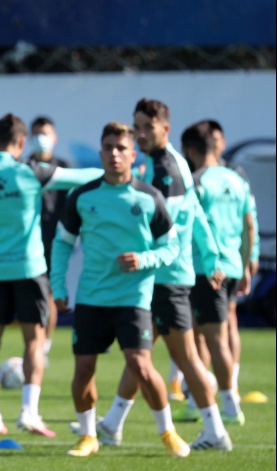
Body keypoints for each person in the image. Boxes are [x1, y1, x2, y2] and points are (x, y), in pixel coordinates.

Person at [85, 99, 231, 451]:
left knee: (185, 358)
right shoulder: (165, 163)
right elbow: (197, 214)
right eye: (137, 127)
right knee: (139, 354)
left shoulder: (167, 169)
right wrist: (211, 257)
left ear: (165, 128)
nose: (141, 133)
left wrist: (147, 257)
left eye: (148, 127)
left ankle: (216, 431)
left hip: (165, 276)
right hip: (158, 276)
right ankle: (112, 424)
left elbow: (168, 229)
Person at [50, 121, 189, 458]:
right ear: (100, 153)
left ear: (133, 154)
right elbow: (62, 243)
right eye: (108, 147)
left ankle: (168, 432)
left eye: (121, 148)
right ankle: (88, 436)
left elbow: (172, 247)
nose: (114, 154)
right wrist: (58, 285)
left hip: (134, 298)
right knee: (84, 368)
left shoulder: (149, 197)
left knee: (140, 364)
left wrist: (144, 259)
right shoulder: (82, 196)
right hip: (92, 297)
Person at [0, 113, 102, 437]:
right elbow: (83, 177)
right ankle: (28, 413)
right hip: (30, 269)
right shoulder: (31, 171)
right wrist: (121, 171)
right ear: (22, 142)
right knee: (34, 342)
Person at [180, 121, 255, 426]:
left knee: (208, 339)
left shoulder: (197, 182)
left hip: (206, 269)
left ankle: (228, 404)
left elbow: (188, 227)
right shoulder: (237, 179)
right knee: (210, 334)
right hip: (233, 265)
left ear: (189, 150)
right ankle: (198, 401)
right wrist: (246, 264)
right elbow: (249, 226)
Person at [26, 116, 71, 366]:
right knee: (33, 296)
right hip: (27, 243)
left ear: (54, 138)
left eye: (45, 134)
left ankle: (44, 346)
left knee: (50, 294)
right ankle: (35, 344)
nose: (41, 139)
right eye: (36, 134)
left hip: (55, 241)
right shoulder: (24, 167)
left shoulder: (64, 168)